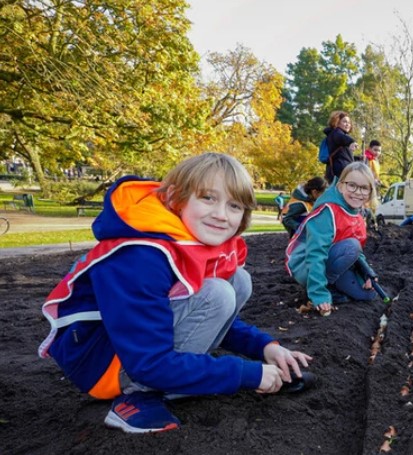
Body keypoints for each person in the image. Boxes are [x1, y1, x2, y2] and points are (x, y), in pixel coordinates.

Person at [38, 153, 312, 434]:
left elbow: (204, 312)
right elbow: (149, 361)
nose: (221, 214)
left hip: (132, 350)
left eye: (234, 205)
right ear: (176, 198)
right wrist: (247, 374)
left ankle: (180, 379)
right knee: (218, 292)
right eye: (208, 198)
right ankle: (139, 395)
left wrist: (265, 348)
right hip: (103, 363)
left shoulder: (187, 239)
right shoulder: (140, 256)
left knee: (238, 281)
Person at [286, 162, 379, 316]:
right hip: (306, 266)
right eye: (352, 185)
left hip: (333, 261)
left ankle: (332, 286)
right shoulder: (328, 210)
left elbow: (358, 254)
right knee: (351, 247)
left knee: (369, 294)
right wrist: (318, 292)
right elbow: (315, 254)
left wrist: (366, 273)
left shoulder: (356, 212)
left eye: (364, 188)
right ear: (341, 186)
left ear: (370, 192)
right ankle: (321, 288)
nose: (357, 192)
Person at [323, 111, 358, 183]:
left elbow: (343, 155)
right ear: (337, 122)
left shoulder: (335, 134)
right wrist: (351, 142)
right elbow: (342, 137)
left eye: (349, 122)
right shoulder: (336, 132)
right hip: (339, 171)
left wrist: (358, 158)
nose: (348, 124)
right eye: (344, 122)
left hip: (336, 169)